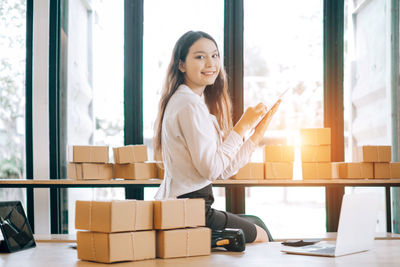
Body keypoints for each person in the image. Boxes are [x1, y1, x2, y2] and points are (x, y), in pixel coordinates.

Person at [153, 31, 281, 243]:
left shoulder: (190, 102)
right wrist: (242, 126)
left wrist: (256, 133)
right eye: (200, 56)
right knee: (261, 236)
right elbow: (211, 169)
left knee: (256, 223)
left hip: (189, 207)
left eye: (214, 55)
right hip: (191, 211)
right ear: (181, 65)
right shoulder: (189, 105)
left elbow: (222, 170)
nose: (210, 63)